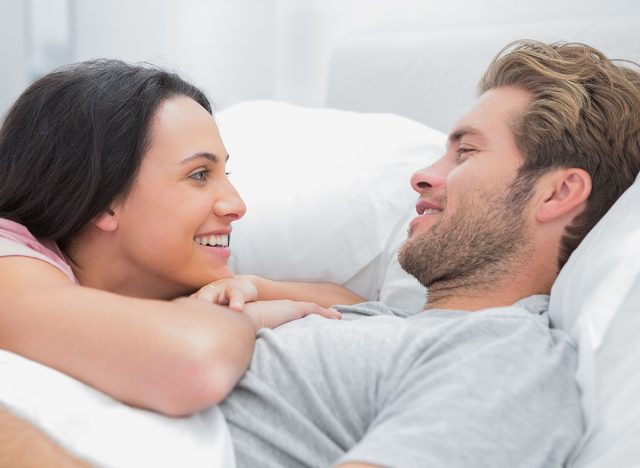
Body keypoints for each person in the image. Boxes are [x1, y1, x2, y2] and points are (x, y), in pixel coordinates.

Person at [216, 40, 640, 467]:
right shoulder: (387, 321)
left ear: (557, 193)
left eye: (467, 151)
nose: (422, 176)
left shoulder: (505, 360)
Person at [0, 59, 362, 418]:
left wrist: (253, 287)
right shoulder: (9, 262)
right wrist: (251, 318)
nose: (237, 204)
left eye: (226, 172)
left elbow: (355, 307)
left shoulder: (171, 277)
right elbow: (192, 366)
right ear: (103, 203)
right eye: (200, 174)